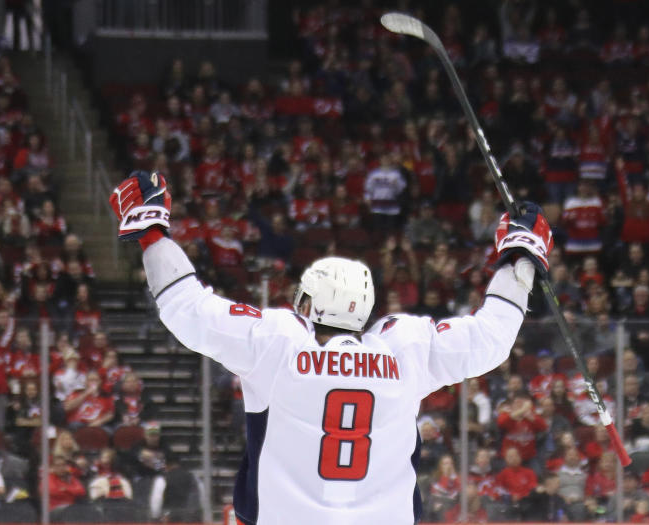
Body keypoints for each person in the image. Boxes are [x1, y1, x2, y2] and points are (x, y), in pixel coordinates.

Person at [108, 170, 554, 524]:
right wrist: (520, 259)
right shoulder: (403, 351)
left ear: (307, 302)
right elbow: (492, 338)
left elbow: (186, 307)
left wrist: (152, 233)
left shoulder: (278, 344)